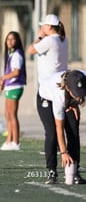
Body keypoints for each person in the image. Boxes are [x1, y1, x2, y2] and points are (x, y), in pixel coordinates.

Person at [27, 14, 70, 184]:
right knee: (66, 131)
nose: (41, 28)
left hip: (48, 91)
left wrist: (39, 36)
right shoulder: (62, 39)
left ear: (48, 27)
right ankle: (72, 168)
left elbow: (30, 50)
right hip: (61, 89)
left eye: (43, 26)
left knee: (51, 133)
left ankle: (52, 170)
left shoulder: (49, 40)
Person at [37, 70, 86, 184]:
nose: (79, 98)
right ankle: (52, 171)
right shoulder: (59, 95)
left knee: (73, 131)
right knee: (52, 133)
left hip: (67, 99)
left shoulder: (83, 79)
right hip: (46, 99)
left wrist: (74, 103)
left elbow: (78, 95)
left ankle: (74, 171)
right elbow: (60, 127)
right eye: (76, 93)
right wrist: (64, 153)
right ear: (68, 88)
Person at [0, 31, 26, 151]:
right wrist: (2, 83)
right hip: (10, 87)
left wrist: (3, 78)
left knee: (12, 115)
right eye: (8, 39)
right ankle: (9, 140)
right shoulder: (11, 54)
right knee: (7, 115)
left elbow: (16, 72)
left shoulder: (17, 55)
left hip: (15, 87)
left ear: (17, 41)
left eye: (12, 39)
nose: (9, 41)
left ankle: (16, 142)